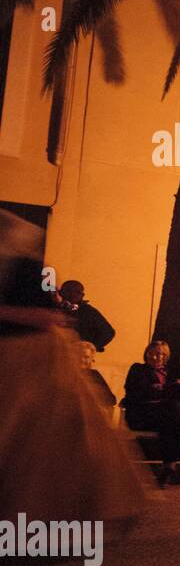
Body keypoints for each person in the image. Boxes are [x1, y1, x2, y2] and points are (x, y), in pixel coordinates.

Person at [0, 209, 145, 524]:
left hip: (33, 359)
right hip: (23, 358)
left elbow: (48, 317)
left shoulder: (27, 270)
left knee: (40, 443)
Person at [123, 339, 180, 477]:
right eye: (154, 353)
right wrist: (165, 388)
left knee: (170, 420)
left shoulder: (170, 373)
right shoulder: (138, 369)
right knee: (173, 406)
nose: (158, 357)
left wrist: (171, 388)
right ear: (147, 354)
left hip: (163, 415)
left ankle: (169, 470)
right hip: (142, 414)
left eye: (162, 354)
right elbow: (136, 392)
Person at [58, 279, 116, 351]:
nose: (72, 294)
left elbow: (108, 332)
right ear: (60, 293)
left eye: (77, 292)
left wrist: (89, 347)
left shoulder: (87, 311)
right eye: (68, 290)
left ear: (82, 295)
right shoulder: (54, 309)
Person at [78, 340, 117, 408]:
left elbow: (111, 400)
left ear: (91, 359)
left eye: (86, 357)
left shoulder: (95, 375)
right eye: (79, 355)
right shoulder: (65, 375)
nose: (82, 359)